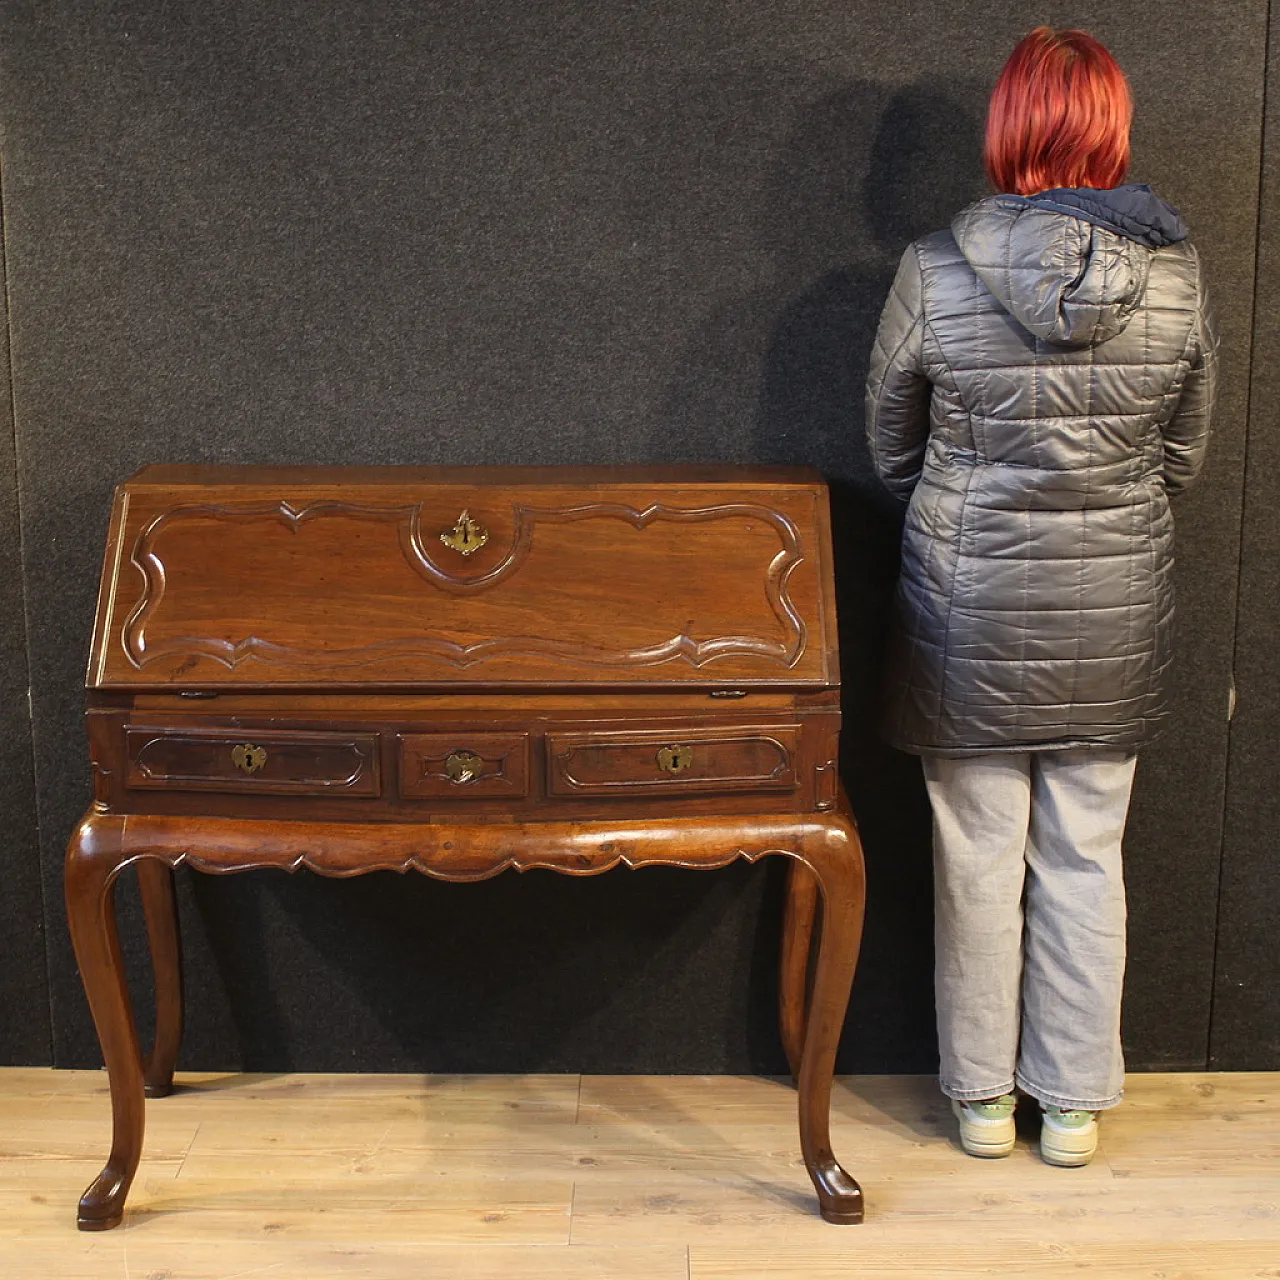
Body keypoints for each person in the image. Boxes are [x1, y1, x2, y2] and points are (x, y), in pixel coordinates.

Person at [864, 26, 1218, 1167]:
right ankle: (1068, 1107)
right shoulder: (1175, 271)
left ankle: (976, 1100)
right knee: (1084, 849)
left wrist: (971, 499)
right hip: (1112, 606)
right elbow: (1180, 456)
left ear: (1006, 128)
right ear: (1109, 125)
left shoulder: (934, 265)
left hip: (960, 607)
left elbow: (889, 447)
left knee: (974, 853)